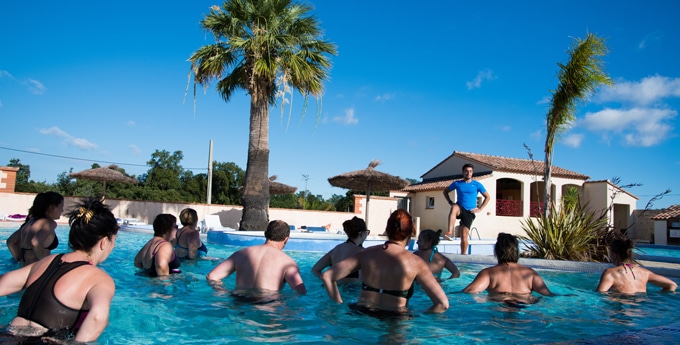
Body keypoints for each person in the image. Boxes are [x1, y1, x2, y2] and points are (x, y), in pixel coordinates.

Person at [0, 198, 118, 343]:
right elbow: (98, 318)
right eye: (114, 241)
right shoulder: (99, 278)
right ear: (104, 242)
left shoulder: (45, 262)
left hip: (8, 336)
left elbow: (3, 282)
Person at [321, 209, 449, 315]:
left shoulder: (366, 253)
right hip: (395, 320)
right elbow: (442, 304)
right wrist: (418, 315)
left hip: (360, 314)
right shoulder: (416, 263)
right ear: (411, 233)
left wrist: (339, 304)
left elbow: (327, 276)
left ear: (387, 230)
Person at [207, 220, 306, 294]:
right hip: (267, 307)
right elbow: (301, 292)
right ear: (286, 239)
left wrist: (225, 292)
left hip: (239, 302)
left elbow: (212, 276)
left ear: (265, 234)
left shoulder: (241, 254)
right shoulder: (288, 263)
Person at [463, 233, 553, 304]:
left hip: (499, 304)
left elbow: (470, 291)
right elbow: (547, 294)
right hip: (524, 305)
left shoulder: (488, 273)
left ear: (497, 252)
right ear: (516, 252)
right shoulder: (530, 274)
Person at [597, 239, 677, 294]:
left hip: (621, 308)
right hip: (640, 311)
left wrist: (613, 298)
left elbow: (600, 294)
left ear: (615, 255)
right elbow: (672, 285)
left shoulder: (611, 273)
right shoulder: (645, 273)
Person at [443, 163, 490, 254]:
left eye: (470, 171)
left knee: (464, 237)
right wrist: (449, 201)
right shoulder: (457, 183)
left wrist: (480, 209)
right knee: (454, 207)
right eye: (466, 171)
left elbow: (487, 197)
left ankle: (463, 255)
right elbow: (445, 191)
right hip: (459, 208)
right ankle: (449, 232)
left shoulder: (477, 185)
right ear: (463, 172)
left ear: (472, 173)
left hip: (469, 211)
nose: (468, 173)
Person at [6, 192, 64, 265]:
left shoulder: (31, 222)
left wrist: (18, 259)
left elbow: (11, 242)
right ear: (52, 207)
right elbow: (36, 242)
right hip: (38, 270)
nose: (62, 210)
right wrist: (43, 263)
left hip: (24, 268)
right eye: (61, 206)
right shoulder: (49, 223)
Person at [312, 217, 369, 284]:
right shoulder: (363, 252)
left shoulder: (337, 249)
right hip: (351, 291)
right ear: (362, 233)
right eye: (367, 232)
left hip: (332, 290)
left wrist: (328, 282)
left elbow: (315, 270)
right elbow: (362, 280)